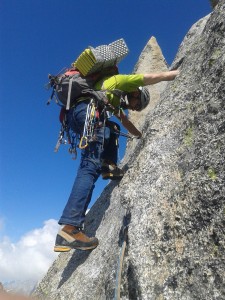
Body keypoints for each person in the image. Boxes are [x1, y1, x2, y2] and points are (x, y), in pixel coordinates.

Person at [54, 69, 179, 252]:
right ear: (136, 92)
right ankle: (70, 229)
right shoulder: (120, 81)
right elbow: (151, 77)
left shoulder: (110, 96)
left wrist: (141, 136)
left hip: (78, 114)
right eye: (137, 105)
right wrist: (177, 73)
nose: (133, 108)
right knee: (89, 167)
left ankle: (108, 166)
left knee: (110, 127)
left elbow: (124, 122)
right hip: (88, 112)